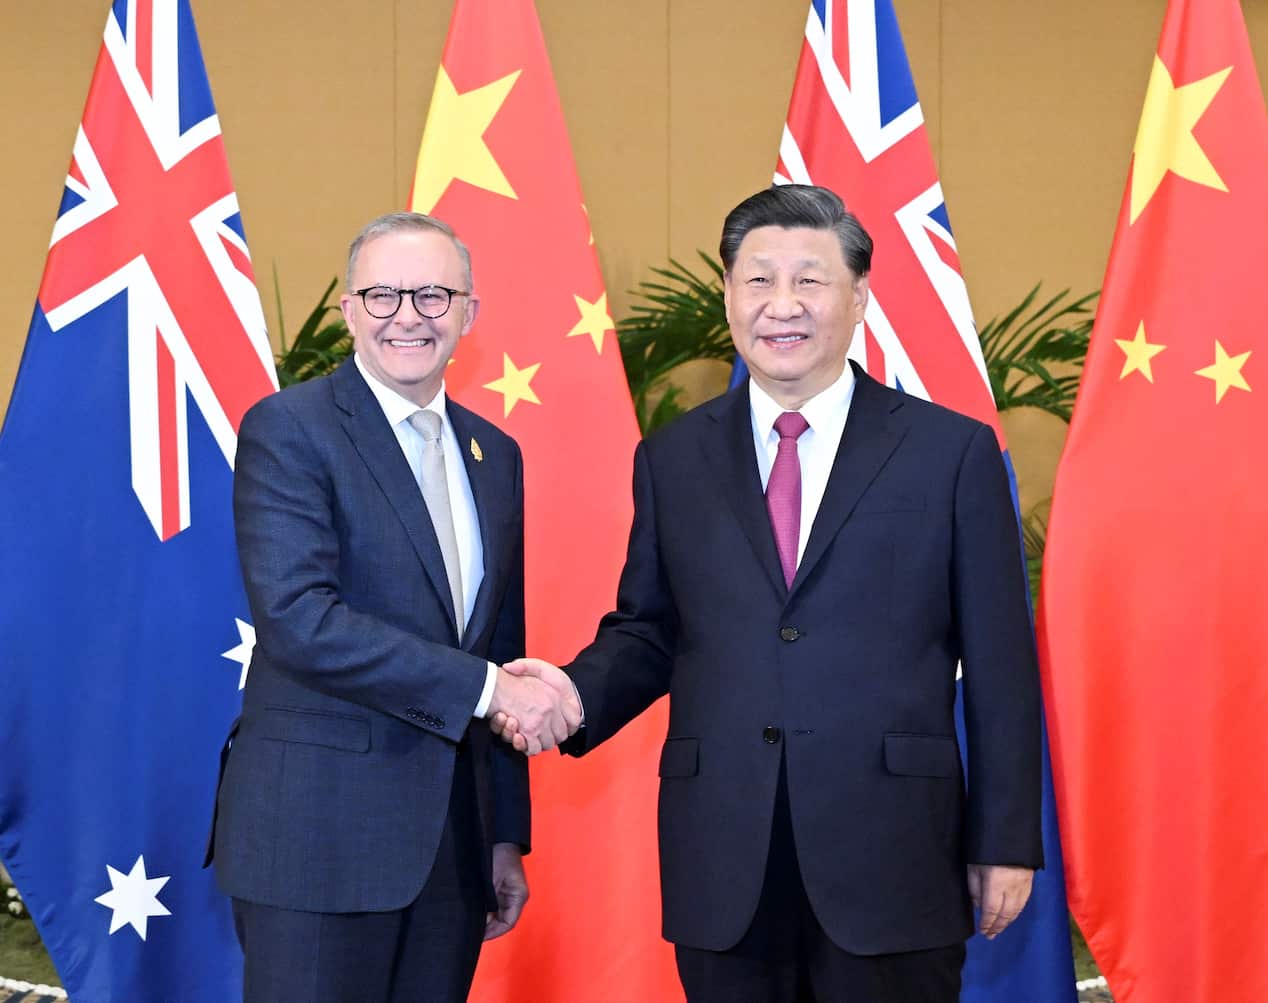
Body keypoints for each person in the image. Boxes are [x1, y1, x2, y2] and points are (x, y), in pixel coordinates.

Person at [497, 185, 1043, 1002]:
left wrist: (1004, 839)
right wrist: (573, 694)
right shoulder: (674, 458)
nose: (780, 305)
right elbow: (651, 630)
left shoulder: (949, 453)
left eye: (809, 280)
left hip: (892, 855)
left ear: (858, 295)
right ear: (727, 294)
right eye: (757, 280)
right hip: (725, 857)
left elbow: (1001, 663)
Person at [206, 211, 581, 1002]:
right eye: (382, 295)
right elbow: (301, 620)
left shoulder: (495, 454)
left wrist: (502, 830)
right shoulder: (290, 429)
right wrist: (490, 691)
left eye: (433, 294)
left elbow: (498, 642)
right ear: (347, 309)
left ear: (469, 312)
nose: (407, 315)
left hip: (451, 851)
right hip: (314, 841)